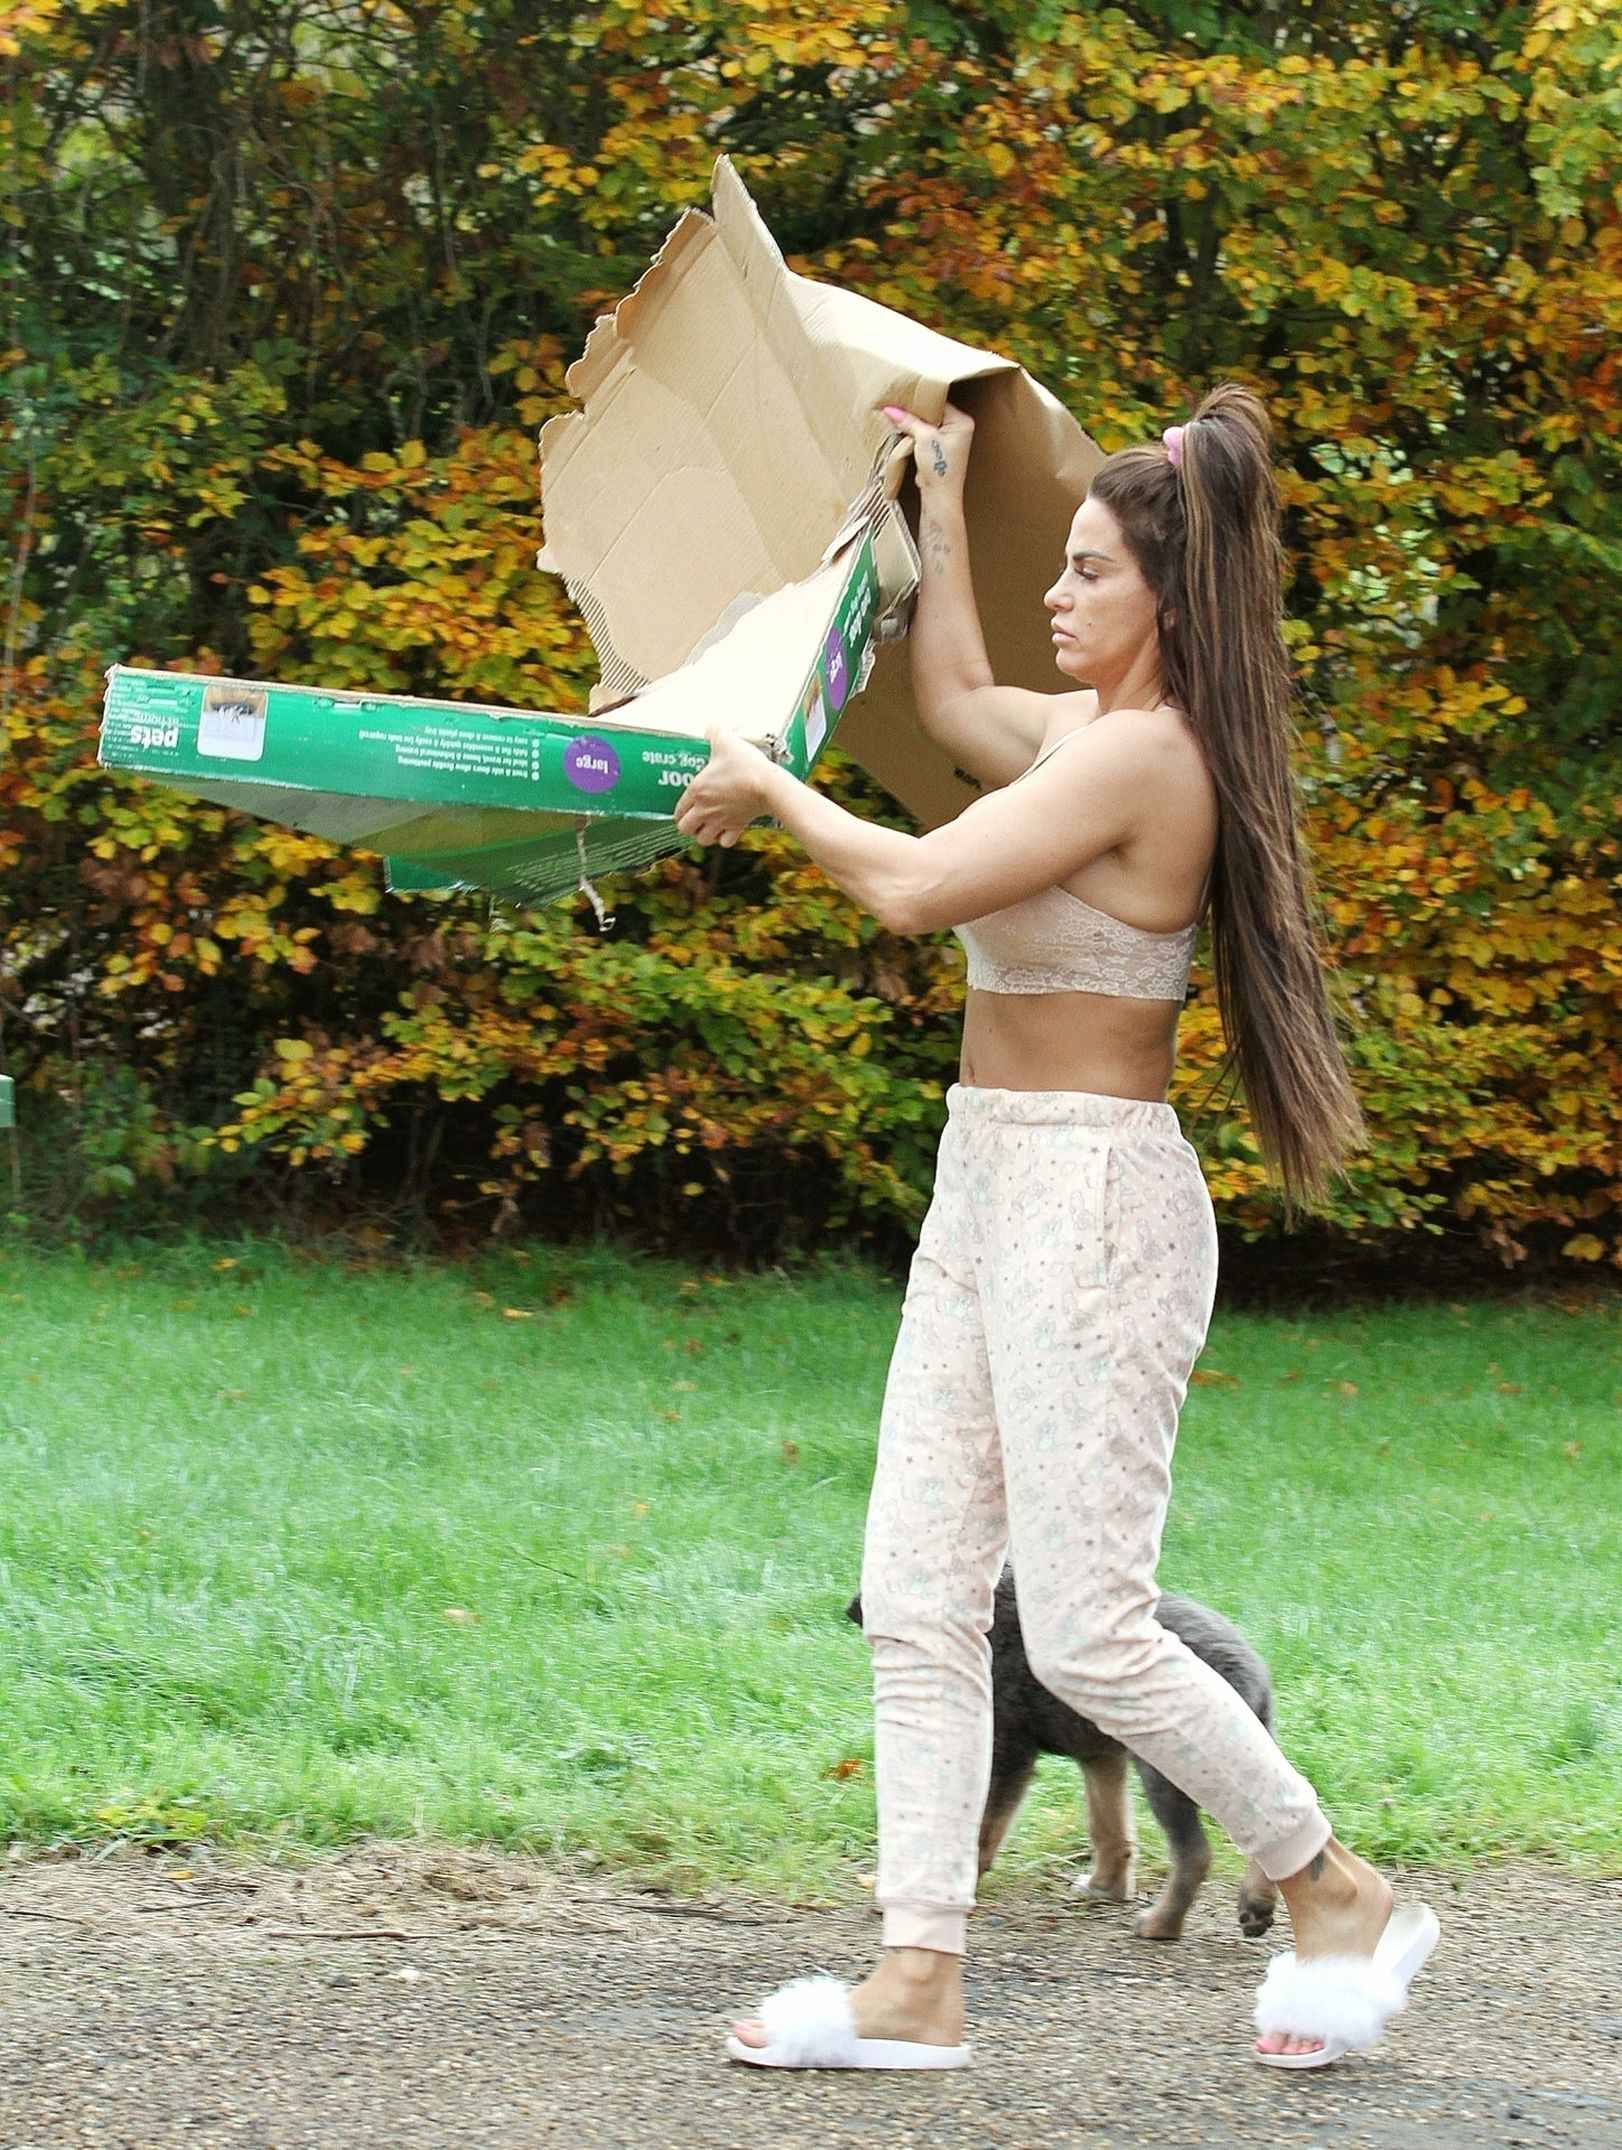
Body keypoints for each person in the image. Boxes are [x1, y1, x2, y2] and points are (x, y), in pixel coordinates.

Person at [672, 385, 1439, 2073]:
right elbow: (950, 696)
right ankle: (916, 1974)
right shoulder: (1083, 733)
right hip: (986, 1172)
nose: (1058, 592)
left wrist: (768, 786)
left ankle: (1329, 1883)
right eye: (1060, 564)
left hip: (1093, 1202)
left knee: (1086, 1624)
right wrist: (941, 507)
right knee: (915, 1589)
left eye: (1089, 571)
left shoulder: (1151, 759)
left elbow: (910, 886)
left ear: (1166, 597)